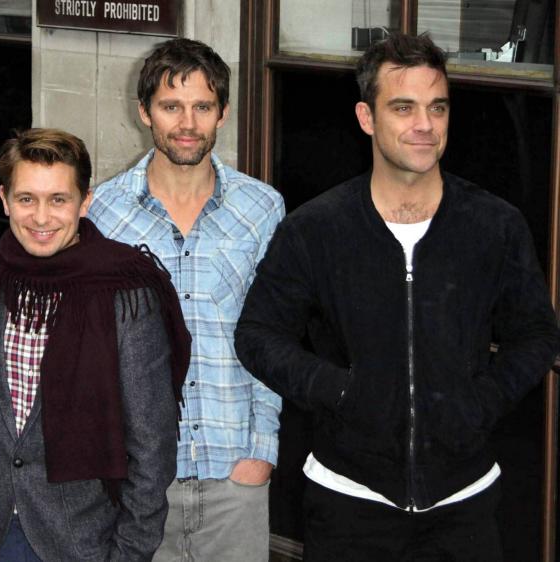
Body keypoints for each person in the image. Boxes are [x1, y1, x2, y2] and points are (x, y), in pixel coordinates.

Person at [235, 33, 560, 561]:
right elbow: (257, 334)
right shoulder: (316, 229)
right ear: (367, 117)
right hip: (348, 502)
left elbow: (537, 333)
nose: (425, 126)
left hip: (465, 505)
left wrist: (482, 401)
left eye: (437, 107)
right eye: (403, 108)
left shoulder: (493, 225)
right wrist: (340, 391)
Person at [0, 128, 190, 561]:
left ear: (84, 201)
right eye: (26, 199)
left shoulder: (125, 293)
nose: (41, 217)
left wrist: (128, 554)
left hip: (78, 542)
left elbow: (153, 445)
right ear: (4, 199)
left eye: (59, 199)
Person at [88, 38, 285, 561]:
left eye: (202, 106)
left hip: (235, 478)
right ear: (144, 113)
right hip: (138, 485)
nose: (187, 123)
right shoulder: (103, 215)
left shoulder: (262, 209)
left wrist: (260, 452)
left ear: (223, 113)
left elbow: (275, 337)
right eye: (171, 106)